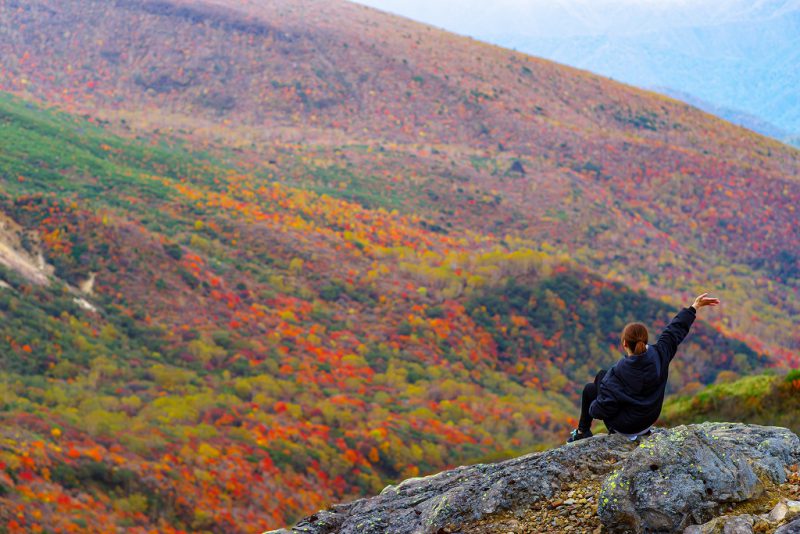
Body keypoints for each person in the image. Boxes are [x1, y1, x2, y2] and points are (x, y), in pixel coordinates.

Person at [566, 292, 720, 443]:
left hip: (625, 427)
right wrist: (693, 307)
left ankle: (582, 432)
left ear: (624, 344)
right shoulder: (660, 354)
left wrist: (595, 403)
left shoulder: (617, 373)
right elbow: (674, 332)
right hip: (648, 420)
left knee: (590, 388)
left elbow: (599, 411)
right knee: (601, 377)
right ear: (645, 340)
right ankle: (584, 430)